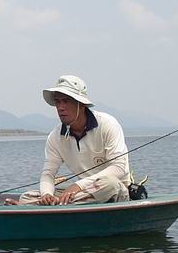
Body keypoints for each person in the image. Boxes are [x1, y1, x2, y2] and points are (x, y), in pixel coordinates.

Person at [15, 75, 131, 205]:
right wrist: (47, 194)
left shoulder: (108, 124)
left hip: (112, 189)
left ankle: (52, 207)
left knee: (110, 184)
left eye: (66, 101)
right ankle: (57, 204)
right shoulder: (55, 136)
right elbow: (48, 174)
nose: (60, 107)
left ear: (81, 104)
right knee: (27, 196)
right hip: (83, 194)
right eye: (57, 102)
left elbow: (119, 168)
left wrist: (78, 186)